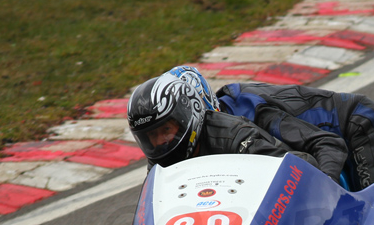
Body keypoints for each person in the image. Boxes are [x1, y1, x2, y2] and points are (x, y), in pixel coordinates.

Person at [167, 66, 374, 191]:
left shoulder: (250, 112)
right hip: (347, 134)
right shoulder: (209, 138)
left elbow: (326, 145)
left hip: (358, 126)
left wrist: (324, 187)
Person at [127, 72, 327, 175]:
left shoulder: (234, 134)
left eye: (166, 129)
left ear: (186, 116)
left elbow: (302, 166)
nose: (161, 141)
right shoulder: (158, 163)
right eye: (152, 135)